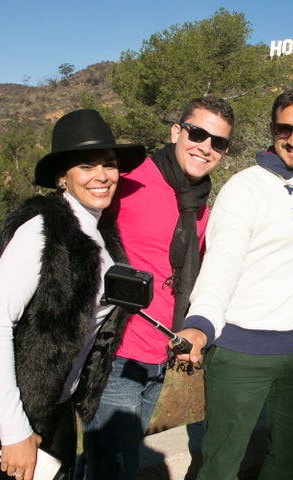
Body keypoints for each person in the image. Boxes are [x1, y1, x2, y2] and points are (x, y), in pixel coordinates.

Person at [0, 109, 146, 480]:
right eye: (86, 165)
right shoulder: (42, 231)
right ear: (61, 178)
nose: (102, 176)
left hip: (54, 406)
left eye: (110, 165)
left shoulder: (101, 232)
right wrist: (14, 430)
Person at [176, 88, 293, 479]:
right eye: (285, 128)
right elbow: (220, 266)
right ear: (272, 129)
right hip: (240, 352)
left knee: (291, 462)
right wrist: (199, 325)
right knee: (220, 465)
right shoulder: (244, 189)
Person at [79, 96, 235, 480]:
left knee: (108, 461)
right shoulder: (129, 181)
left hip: (159, 355)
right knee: (115, 469)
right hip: (114, 355)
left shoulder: (199, 202)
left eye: (218, 142)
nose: (206, 147)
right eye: (198, 133)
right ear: (176, 131)